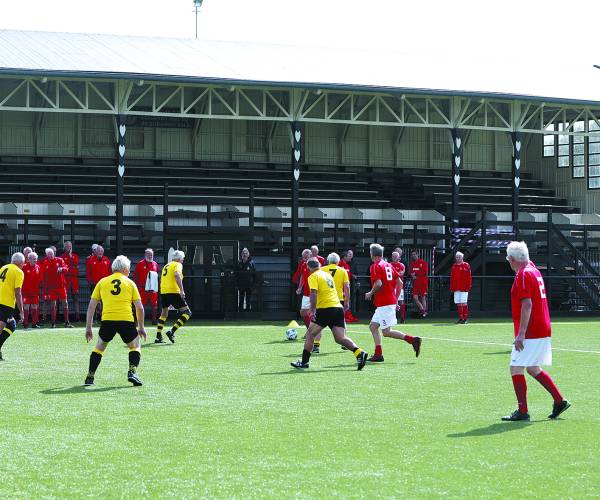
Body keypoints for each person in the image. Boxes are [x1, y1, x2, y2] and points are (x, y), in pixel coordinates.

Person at [501, 241, 570, 421]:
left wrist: (521, 333)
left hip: (532, 330)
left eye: (509, 258)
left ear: (514, 259)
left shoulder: (523, 274)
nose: (508, 261)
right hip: (542, 326)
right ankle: (559, 401)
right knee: (532, 368)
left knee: (516, 367)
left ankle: (523, 412)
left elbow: (527, 304)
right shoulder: (533, 269)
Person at [290, 258, 368, 370]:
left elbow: (313, 293)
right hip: (337, 308)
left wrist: (312, 310)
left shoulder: (313, 276)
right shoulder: (327, 275)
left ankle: (304, 362)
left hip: (325, 308)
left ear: (308, 268)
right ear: (319, 265)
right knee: (340, 338)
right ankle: (359, 352)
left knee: (310, 335)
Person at [84, 255, 146, 387]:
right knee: (135, 346)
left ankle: (90, 376)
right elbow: (139, 307)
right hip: (126, 320)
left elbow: (91, 306)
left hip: (107, 321)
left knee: (99, 348)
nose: (129, 271)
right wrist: (141, 327)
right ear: (124, 269)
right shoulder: (130, 283)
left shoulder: (102, 282)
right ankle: (132, 372)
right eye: (129, 269)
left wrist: (88, 328)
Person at [365, 244, 421, 362]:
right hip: (386, 303)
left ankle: (412, 340)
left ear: (372, 254)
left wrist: (370, 293)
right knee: (373, 327)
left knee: (386, 332)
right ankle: (378, 354)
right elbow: (400, 283)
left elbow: (379, 283)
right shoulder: (388, 265)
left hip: (384, 303)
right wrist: (395, 299)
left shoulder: (375, 266)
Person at [317, 252, 351, 353]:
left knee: (319, 322)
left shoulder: (322, 269)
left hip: (324, 299)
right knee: (341, 321)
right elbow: (347, 287)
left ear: (328, 260)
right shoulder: (342, 271)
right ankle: (345, 343)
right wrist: (347, 301)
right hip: (337, 299)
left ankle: (316, 345)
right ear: (338, 261)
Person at [155, 250, 191, 344]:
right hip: (173, 291)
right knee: (187, 313)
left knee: (164, 314)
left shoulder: (167, 265)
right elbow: (176, 275)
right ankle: (172, 331)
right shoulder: (177, 264)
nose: (183, 260)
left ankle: (158, 336)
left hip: (164, 291)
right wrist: (182, 290)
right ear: (179, 259)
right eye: (182, 259)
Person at [0, 253, 25, 361]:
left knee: (11, 324)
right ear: (20, 263)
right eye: (23, 263)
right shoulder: (19, 272)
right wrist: (21, 311)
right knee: (3, 327)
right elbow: (18, 292)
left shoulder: (3, 267)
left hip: (2, 301)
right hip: (6, 303)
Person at [40, 248, 72, 328]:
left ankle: (67, 321)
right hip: (51, 288)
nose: (50, 255)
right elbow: (42, 274)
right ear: (46, 255)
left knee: (65, 303)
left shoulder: (60, 260)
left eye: (52, 253)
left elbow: (66, 268)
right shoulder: (44, 262)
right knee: (52, 304)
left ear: (54, 253)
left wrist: (62, 269)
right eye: (49, 254)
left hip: (61, 286)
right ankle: (53, 322)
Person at [133, 249, 159, 324]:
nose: (150, 256)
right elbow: (135, 276)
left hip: (153, 289)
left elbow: (156, 276)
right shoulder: (140, 264)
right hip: (142, 288)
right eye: (148, 255)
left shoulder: (155, 264)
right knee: (141, 306)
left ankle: (154, 320)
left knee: (154, 306)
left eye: (151, 255)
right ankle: (140, 321)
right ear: (145, 255)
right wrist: (136, 287)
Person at [86, 245, 111, 321]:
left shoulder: (107, 260)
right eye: (99, 251)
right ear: (95, 252)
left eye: (101, 251)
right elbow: (88, 272)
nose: (100, 252)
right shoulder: (90, 260)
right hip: (94, 284)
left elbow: (110, 272)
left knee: (105, 301)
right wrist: (90, 281)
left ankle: (104, 317)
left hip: (105, 284)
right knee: (96, 302)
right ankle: (97, 316)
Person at [293, 249, 313, 331]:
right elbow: (302, 276)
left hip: (315, 292)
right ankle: (310, 330)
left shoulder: (316, 265)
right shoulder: (303, 264)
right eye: (303, 257)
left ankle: (313, 332)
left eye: (306, 257)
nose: (304, 259)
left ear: (311, 256)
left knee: (312, 313)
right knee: (303, 313)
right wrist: (300, 287)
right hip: (306, 292)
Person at [450, 251, 472, 324]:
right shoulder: (454, 266)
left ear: (462, 257)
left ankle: (465, 318)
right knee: (458, 303)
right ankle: (461, 318)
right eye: (456, 257)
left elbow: (469, 277)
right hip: (456, 288)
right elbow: (452, 278)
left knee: (464, 302)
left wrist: (468, 287)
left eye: (459, 257)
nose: (458, 258)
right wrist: (452, 287)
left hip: (464, 288)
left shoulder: (466, 265)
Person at [61, 241, 81, 322]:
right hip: (66, 279)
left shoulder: (75, 256)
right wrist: (72, 267)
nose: (68, 248)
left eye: (70, 246)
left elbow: (76, 264)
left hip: (74, 279)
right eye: (67, 246)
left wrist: (71, 266)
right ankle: (66, 317)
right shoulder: (62, 256)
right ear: (64, 247)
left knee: (76, 298)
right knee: (65, 298)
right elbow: (66, 266)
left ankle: (77, 316)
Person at [338, 249, 359, 323]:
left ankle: (346, 316)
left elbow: (348, 276)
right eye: (348, 256)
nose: (350, 257)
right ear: (344, 257)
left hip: (346, 286)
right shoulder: (339, 264)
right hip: (340, 288)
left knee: (346, 302)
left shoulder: (347, 265)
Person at [22, 251, 42, 329]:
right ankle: (25, 323)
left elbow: (40, 279)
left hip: (35, 291)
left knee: (34, 306)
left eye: (36, 259)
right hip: (26, 291)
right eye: (33, 259)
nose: (35, 260)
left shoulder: (38, 267)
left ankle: (34, 323)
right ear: (29, 259)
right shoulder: (23, 267)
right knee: (26, 306)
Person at [235, 248, 256, 312]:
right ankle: (240, 312)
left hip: (249, 285)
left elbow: (255, 274)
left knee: (248, 299)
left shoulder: (251, 263)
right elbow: (236, 275)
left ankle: (248, 312)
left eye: (246, 253)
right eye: (243, 253)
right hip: (241, 284)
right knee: (241, 298)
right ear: (241, 254)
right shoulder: (239, 263)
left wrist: (254, 284)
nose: (245, 254)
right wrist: (236, 284)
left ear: (248, 254)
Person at [409, 251, 429, 318]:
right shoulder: (411, 263)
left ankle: (424, 313)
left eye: (414, 254)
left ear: (418, 254)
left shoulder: (423, 262)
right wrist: (411, 275)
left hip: (422, 282)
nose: (413, 255)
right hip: (415, 283)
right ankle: (423, 310)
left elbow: (425, 272)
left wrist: (416, 274)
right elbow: (410, 271)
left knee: (423, 297)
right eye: (412, 254)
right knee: (415, 298)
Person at [390, 249, 406, 323]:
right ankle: (393, 317)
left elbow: (401, 273)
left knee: (400, 301)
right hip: (391, 286)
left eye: (396, 256)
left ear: (399, 257)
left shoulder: (401, 265)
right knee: (391, 302)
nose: (394, 257)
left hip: (399, 286)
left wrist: (394, 273)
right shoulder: (389, 265)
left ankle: (402, 317)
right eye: (393, 256)